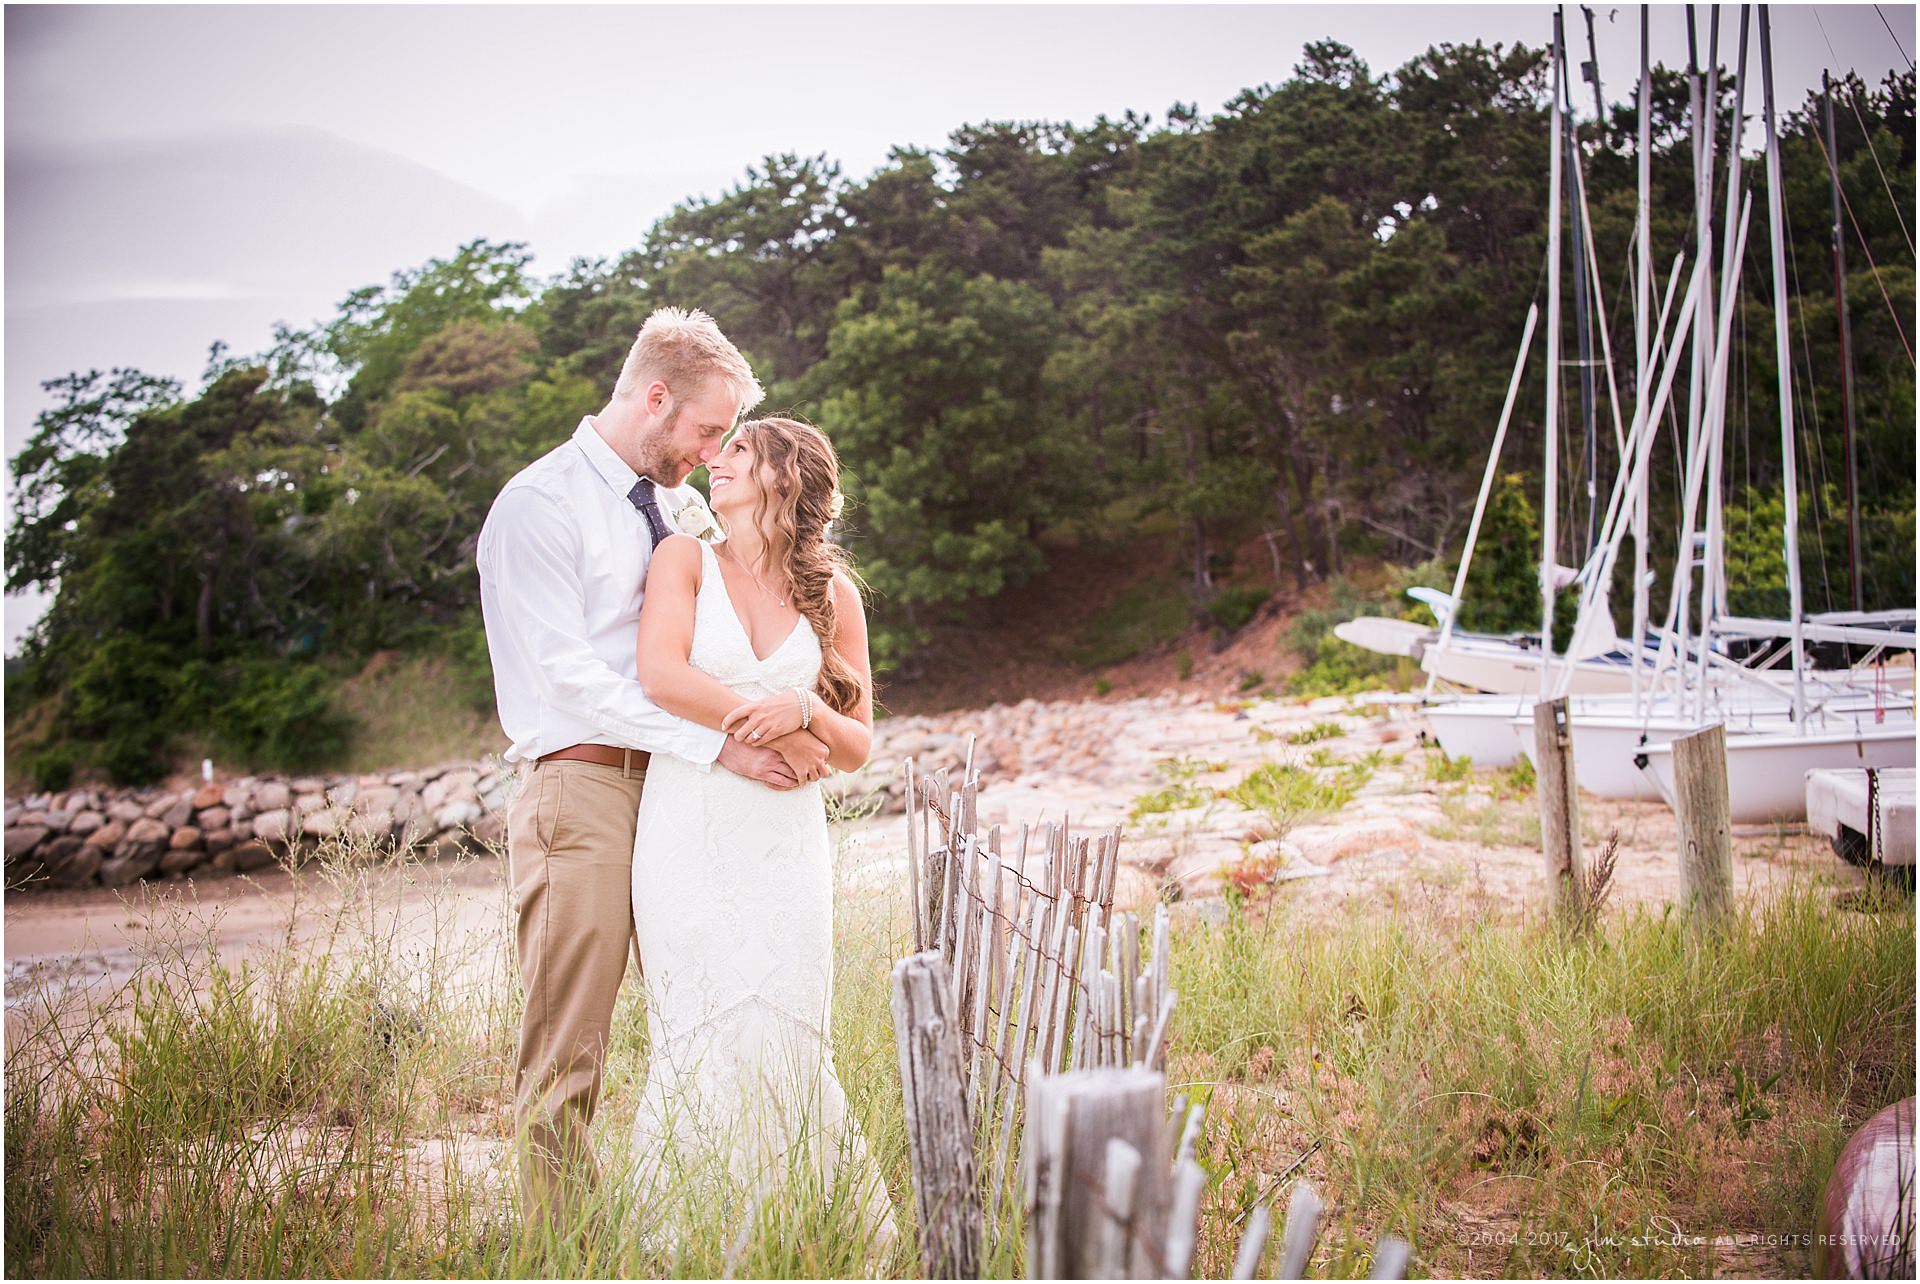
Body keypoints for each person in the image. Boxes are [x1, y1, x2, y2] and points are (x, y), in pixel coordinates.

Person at [475, 307, 831, 1226]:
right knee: (570, 1045)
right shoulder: (538, 505)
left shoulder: (678, 506)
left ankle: (716, 1216)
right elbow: (574, 679)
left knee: (701, 1015)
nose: (714, 453)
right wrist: (729, 741)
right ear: (656, 397)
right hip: (584, 786)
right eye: (709, 430)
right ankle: (569, 1251)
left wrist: (796, 705)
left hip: (681, 799)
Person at [627, 415, 896, 1253]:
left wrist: (806, 708)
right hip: (689, 824)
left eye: (738, 450)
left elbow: (854, 747)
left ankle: (806, 1230)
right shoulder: (684, 559)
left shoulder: (834, 596)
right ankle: (685, 1243)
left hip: (786, 842)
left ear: (787, 476)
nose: (716, 461)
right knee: (696, 1019)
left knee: (785, 1020)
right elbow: (662, 675)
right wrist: (768, 732)